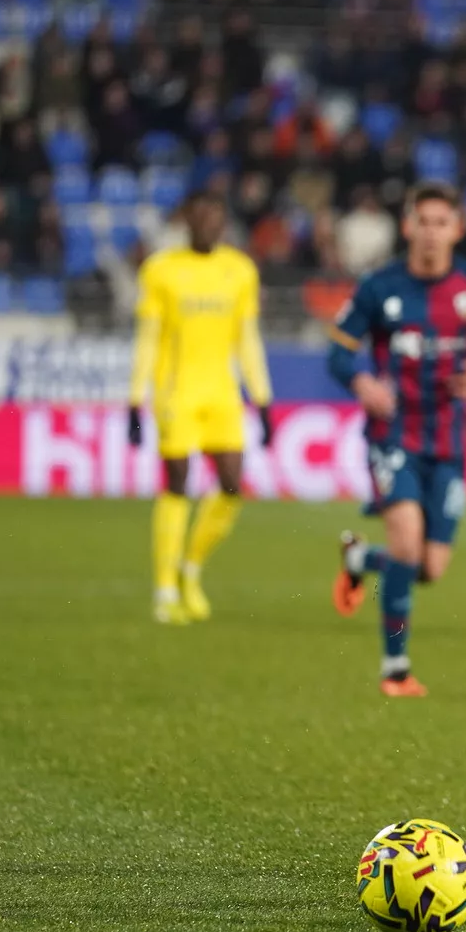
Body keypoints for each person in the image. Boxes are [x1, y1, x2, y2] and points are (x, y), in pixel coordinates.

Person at [328, 182, 466, 698]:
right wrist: (362, 382)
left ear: (457, 228)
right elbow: (339, 353)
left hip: (450, 442)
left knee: (428, 567)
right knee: (407, 546)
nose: (431, 233)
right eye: (423, 222)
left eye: (442, 223)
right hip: (394, 436)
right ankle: (395, 669)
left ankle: (360, 560)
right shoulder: (379, 287)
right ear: (408, 226)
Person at [126, 191, 275, 625]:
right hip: (176, 395)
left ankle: (190, 568)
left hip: (223, 396)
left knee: (232, 486)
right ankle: (164, 591)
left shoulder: (239, 270)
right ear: (186, 221)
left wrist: (261, 398)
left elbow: (246, 339)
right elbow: (149, 338)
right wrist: (135, 400)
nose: (210, 224)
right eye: (201, 216)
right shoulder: (161, 270)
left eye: (217, 217)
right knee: (177, 486)